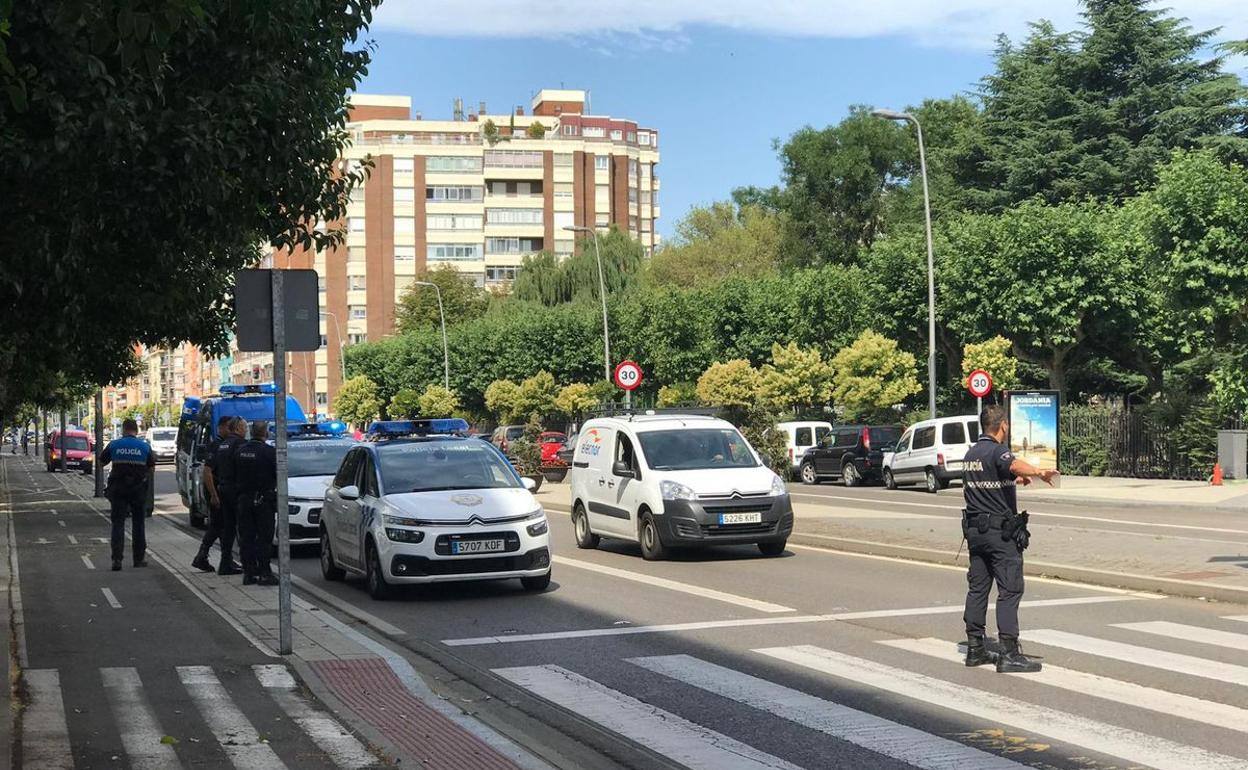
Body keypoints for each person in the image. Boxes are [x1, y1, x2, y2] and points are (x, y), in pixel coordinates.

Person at [962, 404, 1057, 673]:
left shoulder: (971, 453)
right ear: (1002, 425)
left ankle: (975, 648)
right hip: (998, 533)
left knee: (978, 587)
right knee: (1010, 589)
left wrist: (1013, 480)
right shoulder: (997, 450)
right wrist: (1038, 473)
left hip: (975, 533)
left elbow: (991, 479)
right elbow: (1011, 463)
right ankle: (1008, 652)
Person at [99, 418, 156, 571]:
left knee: (118, 523)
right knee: (139, 524)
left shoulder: (114, 445)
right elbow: (151, 468)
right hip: (138, 490)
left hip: (118, 489)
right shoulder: (145, 446)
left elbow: (101, 462)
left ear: (123, 430)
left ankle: (117, 560)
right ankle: (138, 559)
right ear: (136, 430)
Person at [191, 416, 245, 575]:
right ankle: (203, 556)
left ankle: (224, 560)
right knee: (218, 525)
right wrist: (213, 494)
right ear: (221, 428)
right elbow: (207, 472)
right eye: (229, 427)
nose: (231, 430)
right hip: (216, 490)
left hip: (219, 489)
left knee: (223, 526)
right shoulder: (216, 445)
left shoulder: (224, 444)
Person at [234, 420, 278, 586]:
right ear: (265, 433)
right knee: (264, 538)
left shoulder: (240, 451)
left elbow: (234, 473)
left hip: (244, 499)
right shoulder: (269, 452)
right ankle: (265, 572)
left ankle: (249, 573)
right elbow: (277, 475)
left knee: (246, 538)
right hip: (263, 500)